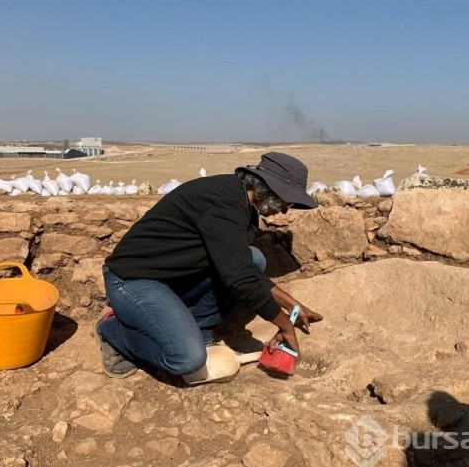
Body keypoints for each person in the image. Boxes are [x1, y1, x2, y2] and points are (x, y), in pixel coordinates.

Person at [95, 152, 323, 379]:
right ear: (267, 188)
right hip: (132, 280)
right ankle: (112, 330)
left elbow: (240, 265)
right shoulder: (225, 206)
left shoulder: (242, 203)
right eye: (285, 202)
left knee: (254, 258)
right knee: (187, 359)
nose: (283, 211)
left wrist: (292, 305)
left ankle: (197, 328)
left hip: (172, 279)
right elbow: (240, 277)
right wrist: (285, 325)